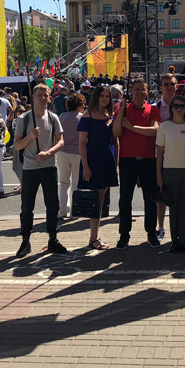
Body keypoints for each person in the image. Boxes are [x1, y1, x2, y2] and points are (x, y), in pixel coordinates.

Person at [13, 84, 66, 258]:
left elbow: (61, 141)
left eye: (46, 95)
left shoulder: (53, 117)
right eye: (40, 95)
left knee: (53, 205)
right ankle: (25, 241)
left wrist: (48, 153)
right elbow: (17, 145)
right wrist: (30, 136)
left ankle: (53, 239)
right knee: (27, 206)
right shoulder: (24, 119)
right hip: (30, 169)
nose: (43, 98)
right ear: (33, 97)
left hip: (49, 166)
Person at [112, 78, 161, 249]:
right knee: (125, 199)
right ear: (131, 91)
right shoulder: (123, 109)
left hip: (148, 159)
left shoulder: (152, 109)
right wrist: (120, 113)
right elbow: (116, 132)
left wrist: (132, 127)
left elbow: (155, 131)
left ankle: (151, 232)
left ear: (147, 91)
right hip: (127, 160)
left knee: (150, 199)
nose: (140, 92)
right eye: (137, 89)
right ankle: (124, 234)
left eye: (143, 89)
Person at [155, 95, 185, 254]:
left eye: (182, 106)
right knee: (173, 207)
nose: (179, 109)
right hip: (170, 170)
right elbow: (160, 154)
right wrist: (159, 175)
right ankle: (175, 241)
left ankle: (183, 240)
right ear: (171, 108)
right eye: (176, 106)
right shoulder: (164, 127)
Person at [78, 85, 119, 250]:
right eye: (102, 96)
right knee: (96, 200)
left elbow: (115, 140)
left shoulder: (110, 115)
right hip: (93, 161)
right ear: (96, 97)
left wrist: (116, 163)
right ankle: (93, 238)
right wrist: (86, 166)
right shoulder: (87, 115)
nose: (105, 99)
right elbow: (82, 143)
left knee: (101, 199)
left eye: (107, 96)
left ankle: (94, 236)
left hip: (107, 160)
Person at [57, 93, 84, 220]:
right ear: (79, 105)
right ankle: (75, 211)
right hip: (78, 153)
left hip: (63, 152)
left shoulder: (62, 116)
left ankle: (62, 209)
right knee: (76, 184)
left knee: (63, 182)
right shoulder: (82, 117)